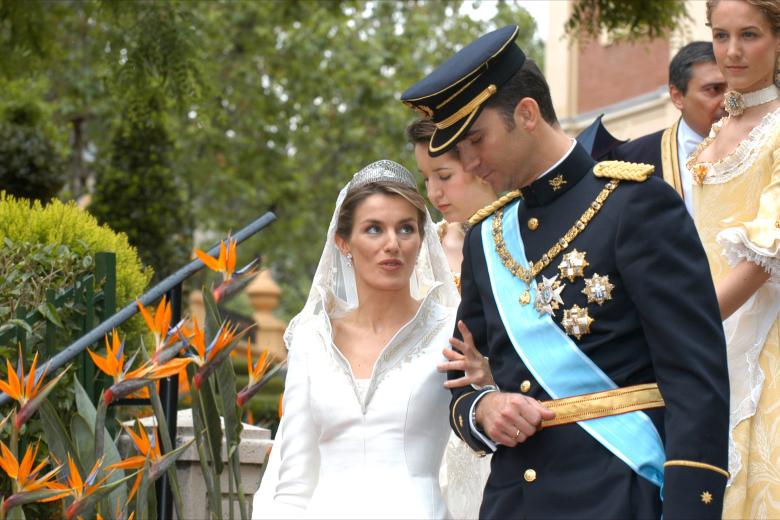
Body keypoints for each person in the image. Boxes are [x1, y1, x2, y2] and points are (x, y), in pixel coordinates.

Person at [401, 24, 730, 519]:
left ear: (527, 115)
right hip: (515, 502)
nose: (468, 163)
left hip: (621, 493)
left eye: (476, 140)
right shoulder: (485, 238)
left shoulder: (636, 205)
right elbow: (459, 375)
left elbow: (696, 382)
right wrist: (483, 409)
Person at [254, 160, 460, 519]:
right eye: (374, 229)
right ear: (343, 242)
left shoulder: (453, 329)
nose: (392, 244)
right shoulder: (311, 338)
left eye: (406, 229)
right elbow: (293, 483)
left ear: (422, 239)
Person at [688, 1, 780, 517]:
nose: (733, 51)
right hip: (705, 331)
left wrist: (685, 324)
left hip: (761, 337)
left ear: (778, 39)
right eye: (720, 36)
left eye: (749, 35)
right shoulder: (718, 129)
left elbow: (765, 256)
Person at [407, 117, 497, 520]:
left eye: (443, 175)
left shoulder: (522, 239)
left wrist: (490, 373)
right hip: (425, 430)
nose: (433, 193)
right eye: (426, 178)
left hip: (494, 425)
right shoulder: (416, 249)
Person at [611, 41, 727, 215]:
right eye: (713, 89)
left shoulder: (765, 145)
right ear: (677, 97)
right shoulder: (632, 161)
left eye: (736, 88)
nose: (728, 101)